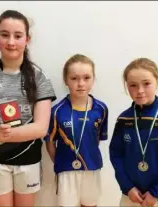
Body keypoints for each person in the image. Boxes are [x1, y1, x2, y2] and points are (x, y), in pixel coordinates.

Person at [0, 10, 56, 207]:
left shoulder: (40, 77)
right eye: (4, 35)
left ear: (27, 39)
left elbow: (41, 128)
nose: (11, 42)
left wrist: (2, 134)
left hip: (28, 157)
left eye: (18, 36)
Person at [109, 57, 158, 207]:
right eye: (133, 85)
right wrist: (128, 187)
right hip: (132, 196)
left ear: (157, 82)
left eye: (146, 84)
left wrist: (156, 192)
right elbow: (116, 155)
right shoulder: (124, 119)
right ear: (126, 86)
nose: (140, 91)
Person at [44, 54, 108, 207]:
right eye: (74, 78)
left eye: (86, 78)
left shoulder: (101, 109)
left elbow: (96, 139)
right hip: (66, 169)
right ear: (66, 80)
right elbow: (50, 142)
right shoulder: (57, 111)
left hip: (91, 168)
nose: (81, 83)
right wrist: (61, 161)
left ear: (93, 79)